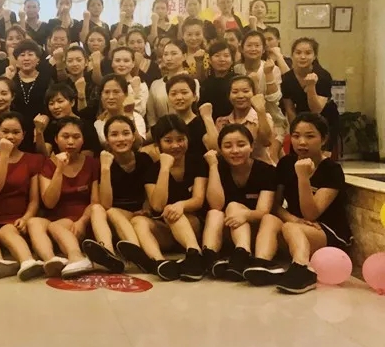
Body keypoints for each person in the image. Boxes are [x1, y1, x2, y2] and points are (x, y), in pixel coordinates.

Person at [244, 114, 350, 294]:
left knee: (290, 228)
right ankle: (263, 263)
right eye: (296, 136)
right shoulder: (286, 163)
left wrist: (303, 177)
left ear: (323, 139)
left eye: (310, 136)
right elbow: (275, 205)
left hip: (326, 231)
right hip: (296, 225)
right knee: (270, 219)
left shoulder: (331, 170)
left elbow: (311, 214)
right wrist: (293, 219)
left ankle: (303, 268)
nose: (302, 142)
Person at [0, 113, 46, 280]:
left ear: (23, 135)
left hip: (19, 219)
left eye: (16, 132)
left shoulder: (33, 160)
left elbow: (34, 200)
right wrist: (4, 155)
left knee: (6, 231)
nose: (10, 136)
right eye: (5, 132)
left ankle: (28, 261)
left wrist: (26, 218)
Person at [134, 115, 208, 281]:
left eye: (180, 139)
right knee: (138, 222)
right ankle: (160, 262)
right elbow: (157, 206)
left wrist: (180, 205)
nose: (175, 145)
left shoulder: (197, 162)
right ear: (158, 144)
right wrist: (165, 168)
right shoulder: (153, 170)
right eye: (168, 141)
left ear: (187, 139)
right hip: (166, 229)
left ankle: (194, 254)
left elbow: (198, 200)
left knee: (171, 210)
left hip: (193, 224)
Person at [201, 124, 276, 280]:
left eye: (241, 145)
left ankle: (243, 252)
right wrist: (213, 166)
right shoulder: (218, 168)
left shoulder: (265, 170)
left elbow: (263, 212)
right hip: (225, 229)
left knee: (233, 206)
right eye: (228, 146)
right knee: (214, 213)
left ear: (251, 146)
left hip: (256, 229)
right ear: (220, 150)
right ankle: (210, 257)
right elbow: (216, 205)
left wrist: (244, 215)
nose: (235, 151)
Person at [28, 117, 99, 278]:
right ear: (56, 139)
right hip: (56, 217)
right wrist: (59, 169)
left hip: (83, 218)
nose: (71, 142)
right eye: (65, 136)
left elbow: (95, 202)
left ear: (83, 140)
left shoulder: (92, 163)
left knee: (55, 226)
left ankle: (77, 257)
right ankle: (51, 260)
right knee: (34, 222)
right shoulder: (47, 164)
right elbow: (49, 203)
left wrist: (82, 221)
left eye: (76, 137)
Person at [84, 116, 154, 273]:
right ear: (107, 140)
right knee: (98, 209)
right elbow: (106, 204)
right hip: (111, 217)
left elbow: (150, 192)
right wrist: (105, 168)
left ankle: (135, 252)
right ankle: (109, 254)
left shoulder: (144, 159)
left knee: (112, 212)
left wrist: (147, 209)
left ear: (133, 136)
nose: (121, 139)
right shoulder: (101, 162)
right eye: (114, 135)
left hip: (139, 215)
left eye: (126, 133)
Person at [280, 38, 340, 154]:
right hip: (301, 117)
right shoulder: (287, 78)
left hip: (325, 118)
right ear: (292, 55)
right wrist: (296, 131)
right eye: (298, 53)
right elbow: (290, 109)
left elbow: (316, 109)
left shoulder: (323, 76)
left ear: (314, 56)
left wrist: (311, 86)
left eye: (308, 53)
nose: (302, 57)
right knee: (298, 155)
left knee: (321, 157)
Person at [234, 31, 286, 159]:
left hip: (273, 121)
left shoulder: (272, 68)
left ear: (263, 50)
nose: (253, 49)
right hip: (245, 121)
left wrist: (268, 74)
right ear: (241, 49)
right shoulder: (236, 69)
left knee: (270, 155)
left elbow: (274, 98)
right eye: (249, 45)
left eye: (257, 45)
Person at [215, 77, 274, 164]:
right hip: (231, 168)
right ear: (229, 96)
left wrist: (261, 111)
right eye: (235, 92)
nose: (240, 96)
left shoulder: (264, 117)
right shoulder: (222, 122)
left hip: (261, 167)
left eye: (246, 91)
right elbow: (217, 151)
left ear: (253, 94)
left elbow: (266, 142)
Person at [10, 40, 54, 150]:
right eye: (22, 55)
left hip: (43, 126)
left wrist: (46, 118)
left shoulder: (47, 79)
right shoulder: (11, 79)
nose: (26, 58)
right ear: (16, 60)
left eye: (30, 54)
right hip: (14, 129)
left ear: (38, 59)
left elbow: (52, 103)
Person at [35, 82, 101, 156]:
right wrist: (39, 131)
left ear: (72, 102)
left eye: (60, 101)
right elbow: (43, 155)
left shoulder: (87, 126)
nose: (55, 107)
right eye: (51, 103)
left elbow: (88, 157)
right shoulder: (51, 126)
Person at [147, 41, 200, 130]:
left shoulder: (193, 82)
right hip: (161, 132)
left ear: (184, 56)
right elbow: (151, 115)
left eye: (174, 54)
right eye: (165, 54)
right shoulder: (156, 84)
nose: (168, 58)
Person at [165, 75, 218, 157]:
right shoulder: (166, 123)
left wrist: (207, 117)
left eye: (184, 92)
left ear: (194, 96)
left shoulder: (202, 122)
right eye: (173, 94)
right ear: (168, 98)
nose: (179, 97)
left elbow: (216, 149)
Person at [91, 74, 145, 148]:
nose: (111, 97)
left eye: (116, 92)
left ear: (126, 94)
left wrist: (130, 117)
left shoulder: (136, 118)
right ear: (101, 96)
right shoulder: (97, 124)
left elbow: (138, 145)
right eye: (106, 92)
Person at [198, 41, 235, 120]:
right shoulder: (205, 84)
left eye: (226, 56)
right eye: (217, 56)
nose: (222, 59)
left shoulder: (238, 81)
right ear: (210, 60)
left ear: (232, 61)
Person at [109, 47, 148, 119]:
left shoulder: (141, 85)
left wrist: (136, 91)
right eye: (117, 60)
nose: (121, 64)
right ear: (112, 63)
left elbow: (140, 111)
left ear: (133, 64)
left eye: (126, 61)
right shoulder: (107, 84)